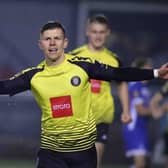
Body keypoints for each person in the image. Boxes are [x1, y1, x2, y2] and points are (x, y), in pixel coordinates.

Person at [0, 21, 168, 168]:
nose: (52, 43)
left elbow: (118, 74)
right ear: (40, 44)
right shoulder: (33, 76)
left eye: (57, 38)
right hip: (51, 153)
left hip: (83, 153)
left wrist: (155, 73)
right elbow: (5, 87)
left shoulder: (83, 66)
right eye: (47, 39)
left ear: (65, 43)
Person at [69, 14, 130, 168]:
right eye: (94, 31)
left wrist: (126, 110)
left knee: (94, 161)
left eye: (101, 32)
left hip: (101, 117)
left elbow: (122, 84)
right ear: (87, 32)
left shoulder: (113, 59)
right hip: (77, 119)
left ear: (107, 33)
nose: (98, 36)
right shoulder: (74, 56)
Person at [122, 57, 159, 168]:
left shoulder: (144, 88)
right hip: (134, 128)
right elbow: (140, 110)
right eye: (147, 70)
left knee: (142, 164)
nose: (149, 73)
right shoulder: (135, 85)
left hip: (142, 128)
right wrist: (156, 111)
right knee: (140, 163)